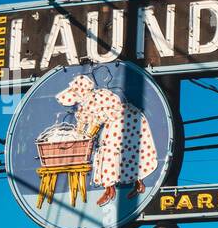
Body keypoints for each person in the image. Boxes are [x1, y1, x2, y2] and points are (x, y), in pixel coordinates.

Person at [54, 73, 157, 207]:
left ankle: (133, 185)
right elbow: (82, 122)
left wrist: (94, 125)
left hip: (126, 121)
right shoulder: (84, 105)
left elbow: (109, 112)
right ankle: (110, 188)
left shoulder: (101, 95)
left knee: (117, 151)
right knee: (107, 151)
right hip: (116, 124)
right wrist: (78, 135)